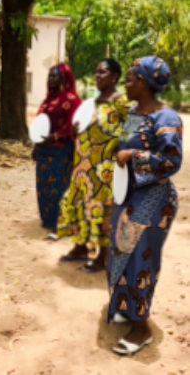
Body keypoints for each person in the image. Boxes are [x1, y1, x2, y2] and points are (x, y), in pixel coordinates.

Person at [107, 56, 180, 357]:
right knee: (120, 253)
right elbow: (124, 145)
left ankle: (142, 329)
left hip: (154, 198)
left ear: (146, 83)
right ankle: (125, 307)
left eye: (131, 78)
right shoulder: (133, 113)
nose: (126, 82)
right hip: (128, 195)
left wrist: (134, 156)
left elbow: (171, 162)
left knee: (141, 262)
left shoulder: (167, 119)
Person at [57, 59, 128, 272]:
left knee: (102, 211)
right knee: (79, 204)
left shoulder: (122, 102)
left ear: (114, 76)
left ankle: (102, 258)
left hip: (103, 170)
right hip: (83, 166)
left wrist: (116, 144)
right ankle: (80, 247)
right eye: (96, 72)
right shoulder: (93, 102)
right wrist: (75, 131)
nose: (98, 76)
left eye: (103, 72)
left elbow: (132, 131)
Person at [34, 63, 81, 236]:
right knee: (44, 185)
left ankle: (61, 221)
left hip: (61, 150)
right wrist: (36, 145)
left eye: (55, 76)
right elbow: (39, 125)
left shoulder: (71, 100)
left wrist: (54, 137)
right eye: (49, 76)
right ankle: (48, 218)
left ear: (64, 78)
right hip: (44, 150)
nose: (50, 79)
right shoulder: (47, 101)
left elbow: (73, 125)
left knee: (59, 186)